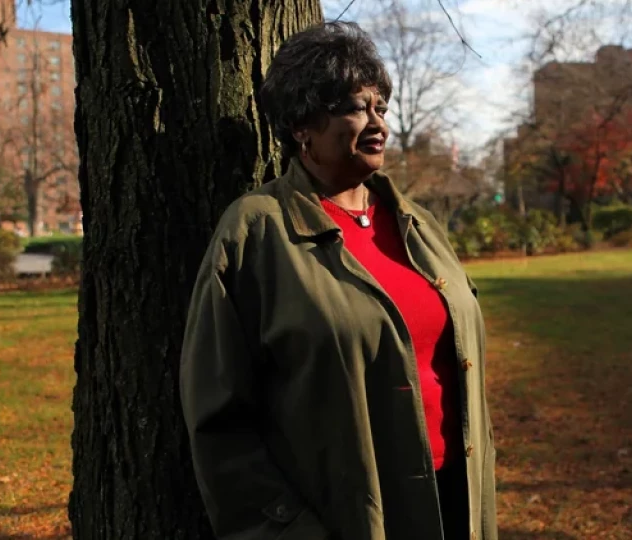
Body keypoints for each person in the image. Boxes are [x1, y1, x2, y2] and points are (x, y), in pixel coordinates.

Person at [179, 21, 496, 540]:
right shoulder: (257, 231)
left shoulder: (419, 224)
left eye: (381, 108)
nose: (378, 124)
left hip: (456, 504)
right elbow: (218, 416)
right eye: (355, 107)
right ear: (303, 123)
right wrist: (286, 528)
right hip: (346, 519)